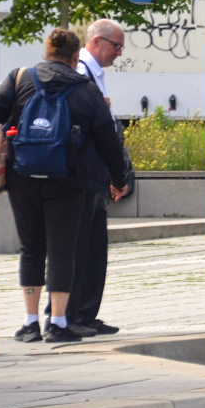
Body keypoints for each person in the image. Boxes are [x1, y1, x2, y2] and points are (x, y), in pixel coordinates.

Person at [0, 29, 129, 344]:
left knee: (31, 249)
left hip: (23, 175)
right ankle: (58, 323)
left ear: (47, 52)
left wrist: (19, 118)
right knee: (63, 251)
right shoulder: (86, 90)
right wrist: (119, 179)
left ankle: (30, 323)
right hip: (69, 179)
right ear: (76, 57)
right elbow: (108, 143)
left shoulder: (20, 77)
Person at [62, 19, 133, 337]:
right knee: (81, 247)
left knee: (94, 248)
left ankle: (86, 313)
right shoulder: (80, 73)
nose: (119, 52)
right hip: (81, 173)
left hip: (94, 173)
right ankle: (69, 314)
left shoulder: (93, 74)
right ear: (96, 41)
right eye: (116, 45)